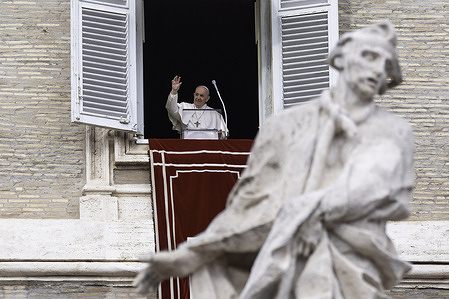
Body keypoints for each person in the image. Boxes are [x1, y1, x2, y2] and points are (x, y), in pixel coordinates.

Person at [135, 22, 414, 298]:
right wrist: (190, 254)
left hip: (356, 265)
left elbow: (396, 200)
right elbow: (248, 203)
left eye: (385, 63)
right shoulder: (286, 125)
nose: (376, 71)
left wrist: (311, 209)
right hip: (287, 263)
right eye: (368, 58)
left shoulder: (394, 131)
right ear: (341, 61)